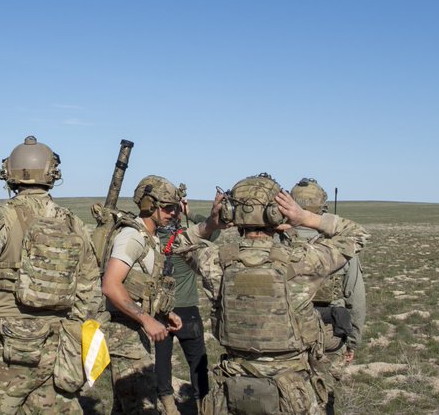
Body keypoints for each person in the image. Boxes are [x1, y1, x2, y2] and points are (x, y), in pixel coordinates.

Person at [173, 173, 369, 415]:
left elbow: (179, 243)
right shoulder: (302, 261)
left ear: (232, 212)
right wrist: (306, 217)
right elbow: (357, 234)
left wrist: (212, 224)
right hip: (291, 391)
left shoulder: (216, 260)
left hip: (233, 389)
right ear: (277, 212)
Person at [0, 136, 102, 414]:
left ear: (8, 173)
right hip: (59, 344)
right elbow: (90, 286)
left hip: (6, 343)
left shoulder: (0, 217)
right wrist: (77, 329)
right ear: (52, 174)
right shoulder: (73, 222)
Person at [102, 175, 187, 414]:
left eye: (175, 207)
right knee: (142, 406)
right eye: (167, 207)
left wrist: (165, 312)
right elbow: (110, 285)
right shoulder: (132, 237)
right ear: (149, 205)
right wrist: (146, 319)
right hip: (123, 333)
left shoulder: (151, 238)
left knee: (126, 406)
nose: (173, 212)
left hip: (134, 330)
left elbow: (143, 286)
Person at [286, 179, 366, 414]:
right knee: (324, 394)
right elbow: (356, 298)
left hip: (287, 332)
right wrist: (353, 341)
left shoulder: (275, 243)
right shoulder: (338, 246)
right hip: (328, 335)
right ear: (322, 208)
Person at [154, 193, 211, 415]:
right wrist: (190, 212)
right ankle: (202, 405)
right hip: (188, 310)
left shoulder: (154, 239)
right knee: (197, 362)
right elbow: (211, 229)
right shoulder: (186, 238)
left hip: (161, 309)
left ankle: (169, 406)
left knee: (162, 361)